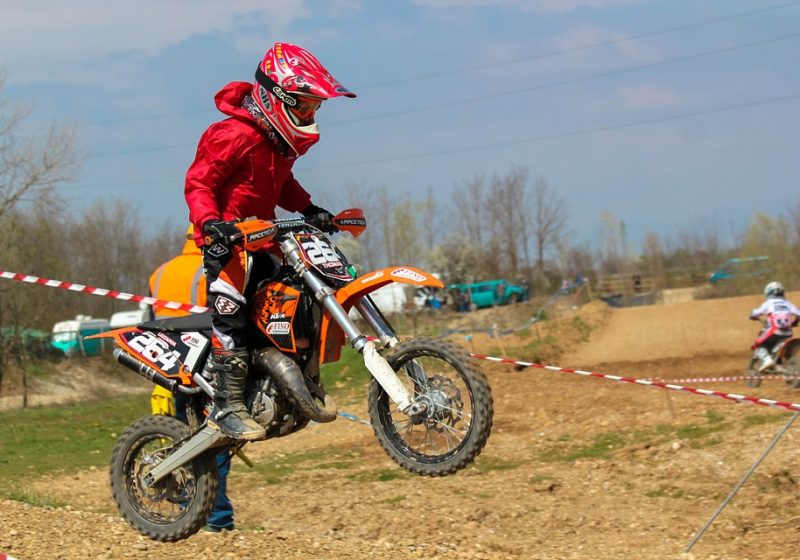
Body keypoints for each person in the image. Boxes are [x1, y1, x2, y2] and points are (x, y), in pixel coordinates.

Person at [185, 41, 355, 440]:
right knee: (231, 315)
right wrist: (211, 224)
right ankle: (227, 405)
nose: (310, 115)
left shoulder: (277, 144)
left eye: (315, 108)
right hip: (228, 243)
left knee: (292, 299)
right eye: (305, 106)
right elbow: (199, 183)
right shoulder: (232, 135)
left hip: (265, 238)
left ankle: (283, 381)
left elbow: (282, 184)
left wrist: (310, 209)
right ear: (277, 99)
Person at [148, 226, 235, 532]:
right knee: (215, 440)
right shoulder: (212, 271)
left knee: (183, 439)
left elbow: (153, 323)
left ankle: (188, 510)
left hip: (170, 368)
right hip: (206, 366)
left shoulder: (159, 273)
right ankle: (217, 518)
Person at [749, 281, 800, 372]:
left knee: (758, 344)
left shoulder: (769, 303)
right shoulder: (787, 303)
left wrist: (752, 316)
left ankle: (767, 361)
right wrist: (795, 321)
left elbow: (755, 313)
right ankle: (779, 364)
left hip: (775, 331)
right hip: (788, 332)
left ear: (768, 292)